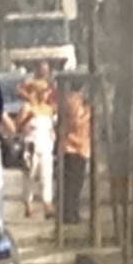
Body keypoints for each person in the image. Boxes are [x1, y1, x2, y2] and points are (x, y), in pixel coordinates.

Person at [17, 62, 57, 218]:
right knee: (30, 175)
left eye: (45, 91)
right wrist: (25, 122)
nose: (43, 93)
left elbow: (54, 125)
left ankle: (47, 204)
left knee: (47, 174)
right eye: (39, 91)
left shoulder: (49, 109)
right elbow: (17, 126)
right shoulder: (28, 107)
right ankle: (28, 203)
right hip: (31, 145)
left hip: (46, 145)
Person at [60, 78, 91, 223]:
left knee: (77, 184)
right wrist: (88, 114)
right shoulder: (73, 101)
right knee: (72, 185)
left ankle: (73, 213)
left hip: (81, 147)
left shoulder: (76, 100)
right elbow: (75, 122)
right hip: (73, 146)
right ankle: (69, 214)